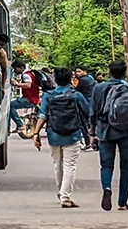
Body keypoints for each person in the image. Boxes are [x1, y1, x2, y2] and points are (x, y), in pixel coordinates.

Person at [32, 67, 91, 208]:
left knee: (57, 166)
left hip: (54, 135)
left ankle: (61, 192)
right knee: (70, 166)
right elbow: (88, 112)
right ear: (70, 79)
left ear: (55, 79)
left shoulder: (48, 96)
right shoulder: (76, 95)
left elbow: (43, 115)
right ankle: (65, 196)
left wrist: (36, 133)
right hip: (73, 135)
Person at [91, 61, 128, 211]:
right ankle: (122, 202)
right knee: (126, 167)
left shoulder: (99, 88)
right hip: (126, 131)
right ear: (124, 72)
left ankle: (107, 187)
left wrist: (92, 132)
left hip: (105, 130)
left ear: (109, 72)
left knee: (106, 165)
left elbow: (92, 112)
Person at [8, 59, 40, 133]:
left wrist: (17, 84)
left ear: (21, 67)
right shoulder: (30, 74)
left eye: (16, 69)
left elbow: (28, 85)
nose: (15, 71)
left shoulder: (26, 75)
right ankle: (10, 127)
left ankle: (20, 124)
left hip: (30, 99)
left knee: (11, 106)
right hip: (32, 99)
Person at [73, 67, 97, 151]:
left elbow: (75, 90)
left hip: (85, 103)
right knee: (92, 124)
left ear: (85, 72)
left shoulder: (83, 80)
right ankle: (94, 143)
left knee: (85, 123)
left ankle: (89, 143)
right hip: (92, 103)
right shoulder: (91, 78)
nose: (77, 73)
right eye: (76, 72)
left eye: (79, 71)